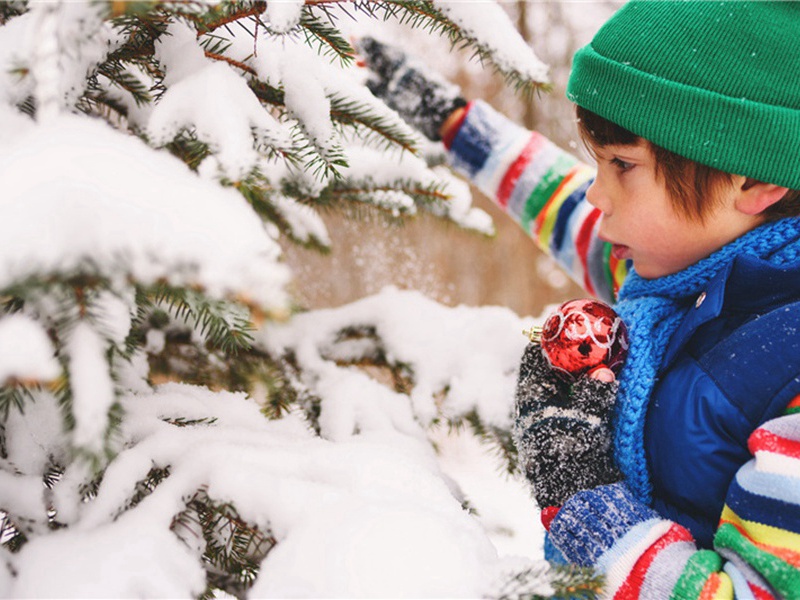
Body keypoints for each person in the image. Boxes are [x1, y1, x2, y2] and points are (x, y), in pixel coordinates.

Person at [358, 2, 800, 598]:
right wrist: (454, 123)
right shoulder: (675, 272)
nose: (597, 193)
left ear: (753, 180)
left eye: (623, 165)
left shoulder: (788, 372)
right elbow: (556, 198)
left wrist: (588, 501)